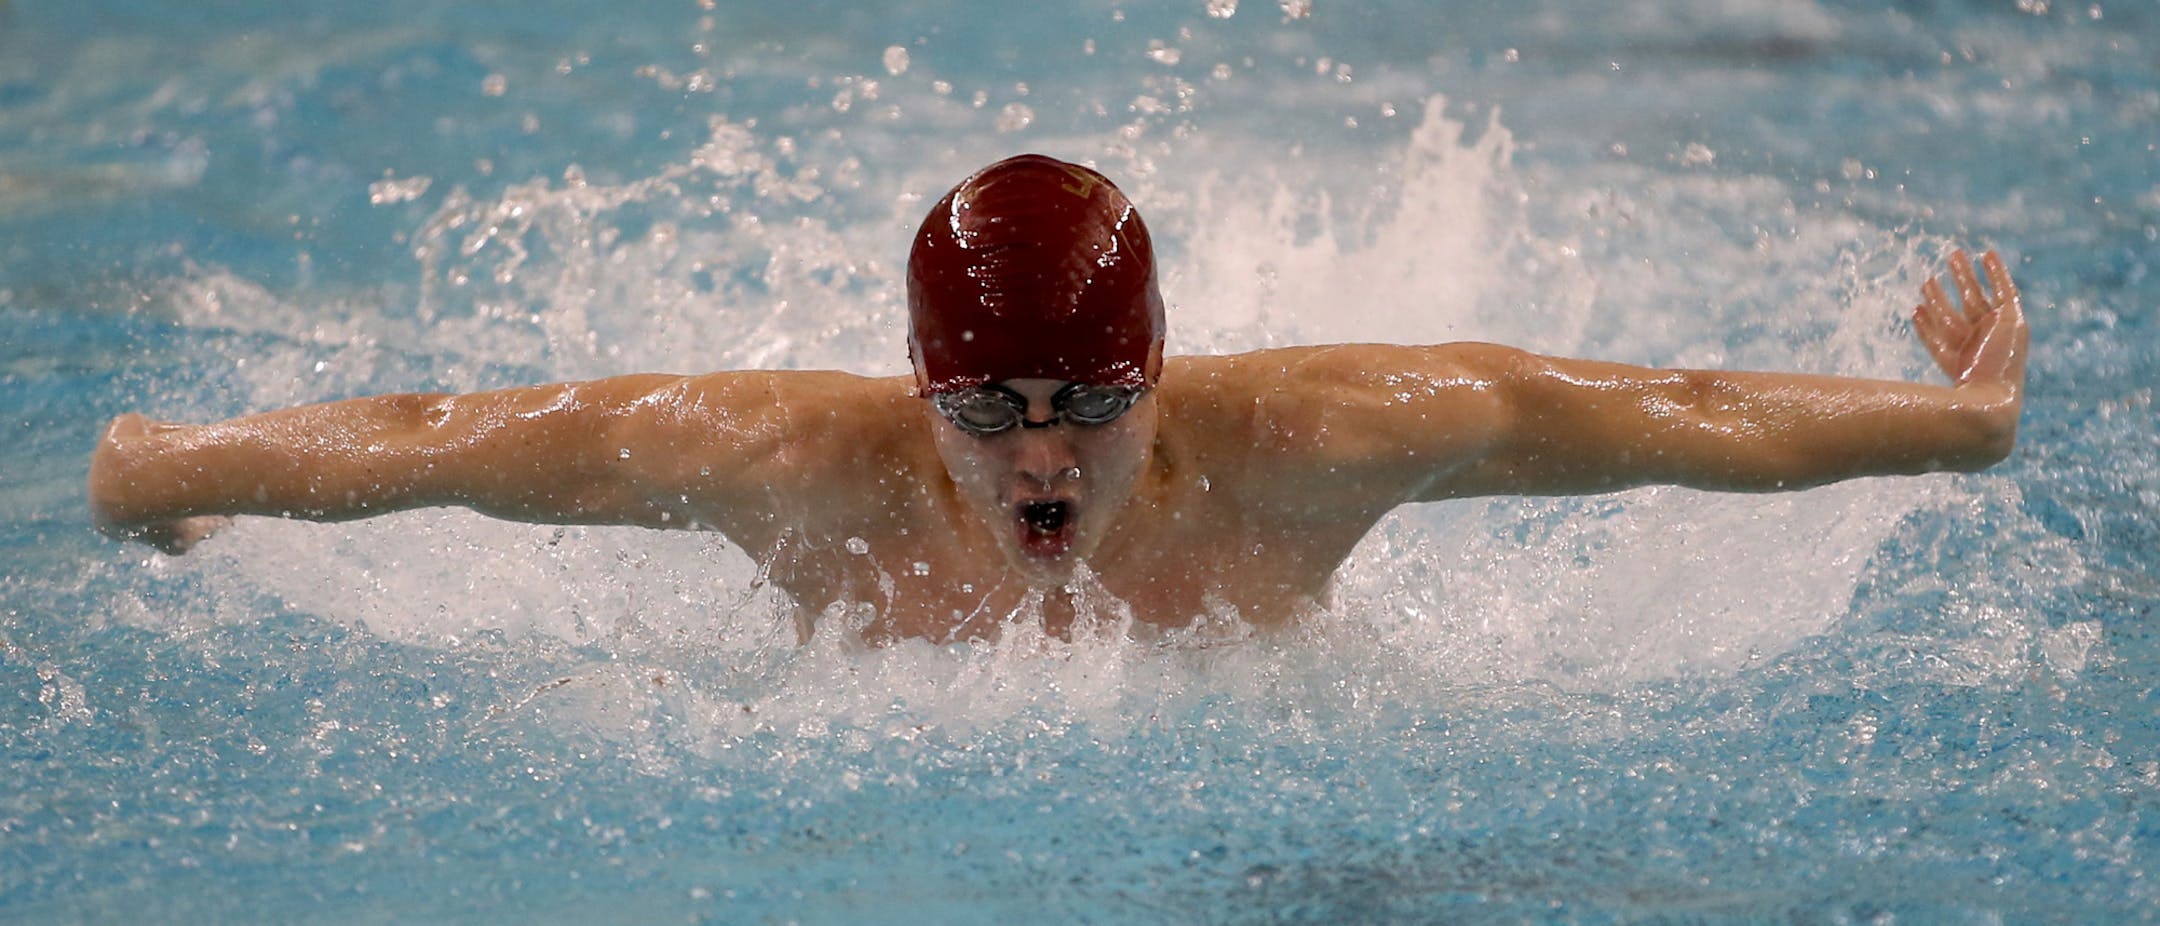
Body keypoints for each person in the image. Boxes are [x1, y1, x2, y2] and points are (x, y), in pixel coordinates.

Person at [88, 154, 2029, 643]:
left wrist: (1956, 420)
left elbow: (1650, 410)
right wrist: (182, 466)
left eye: (1086, 405)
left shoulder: (1310, 441)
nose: (1038, 453)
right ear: (919, 388)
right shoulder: (784, 462)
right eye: (990, 405)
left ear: (1159, 377)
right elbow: (458, 440)